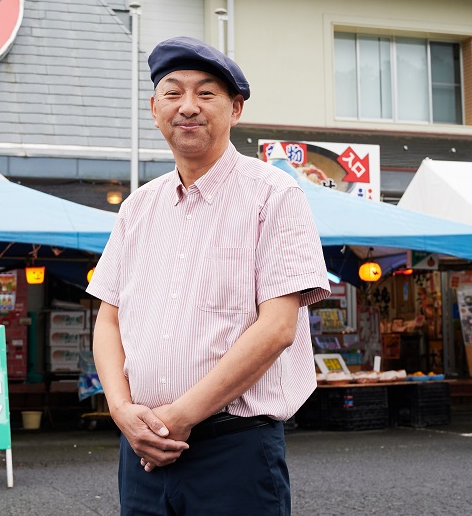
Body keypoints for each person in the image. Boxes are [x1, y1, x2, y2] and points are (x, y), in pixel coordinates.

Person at [87, 36, 329, 515]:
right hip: (141, 451)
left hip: (233, 450)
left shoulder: (273, 195)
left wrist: (179, 417)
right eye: (173, 94)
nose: (188, 107)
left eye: (206, 94)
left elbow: (277, 329)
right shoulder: (138, 207)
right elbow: (109, 319)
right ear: (155, 109)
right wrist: (119, 410)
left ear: (235, 109)